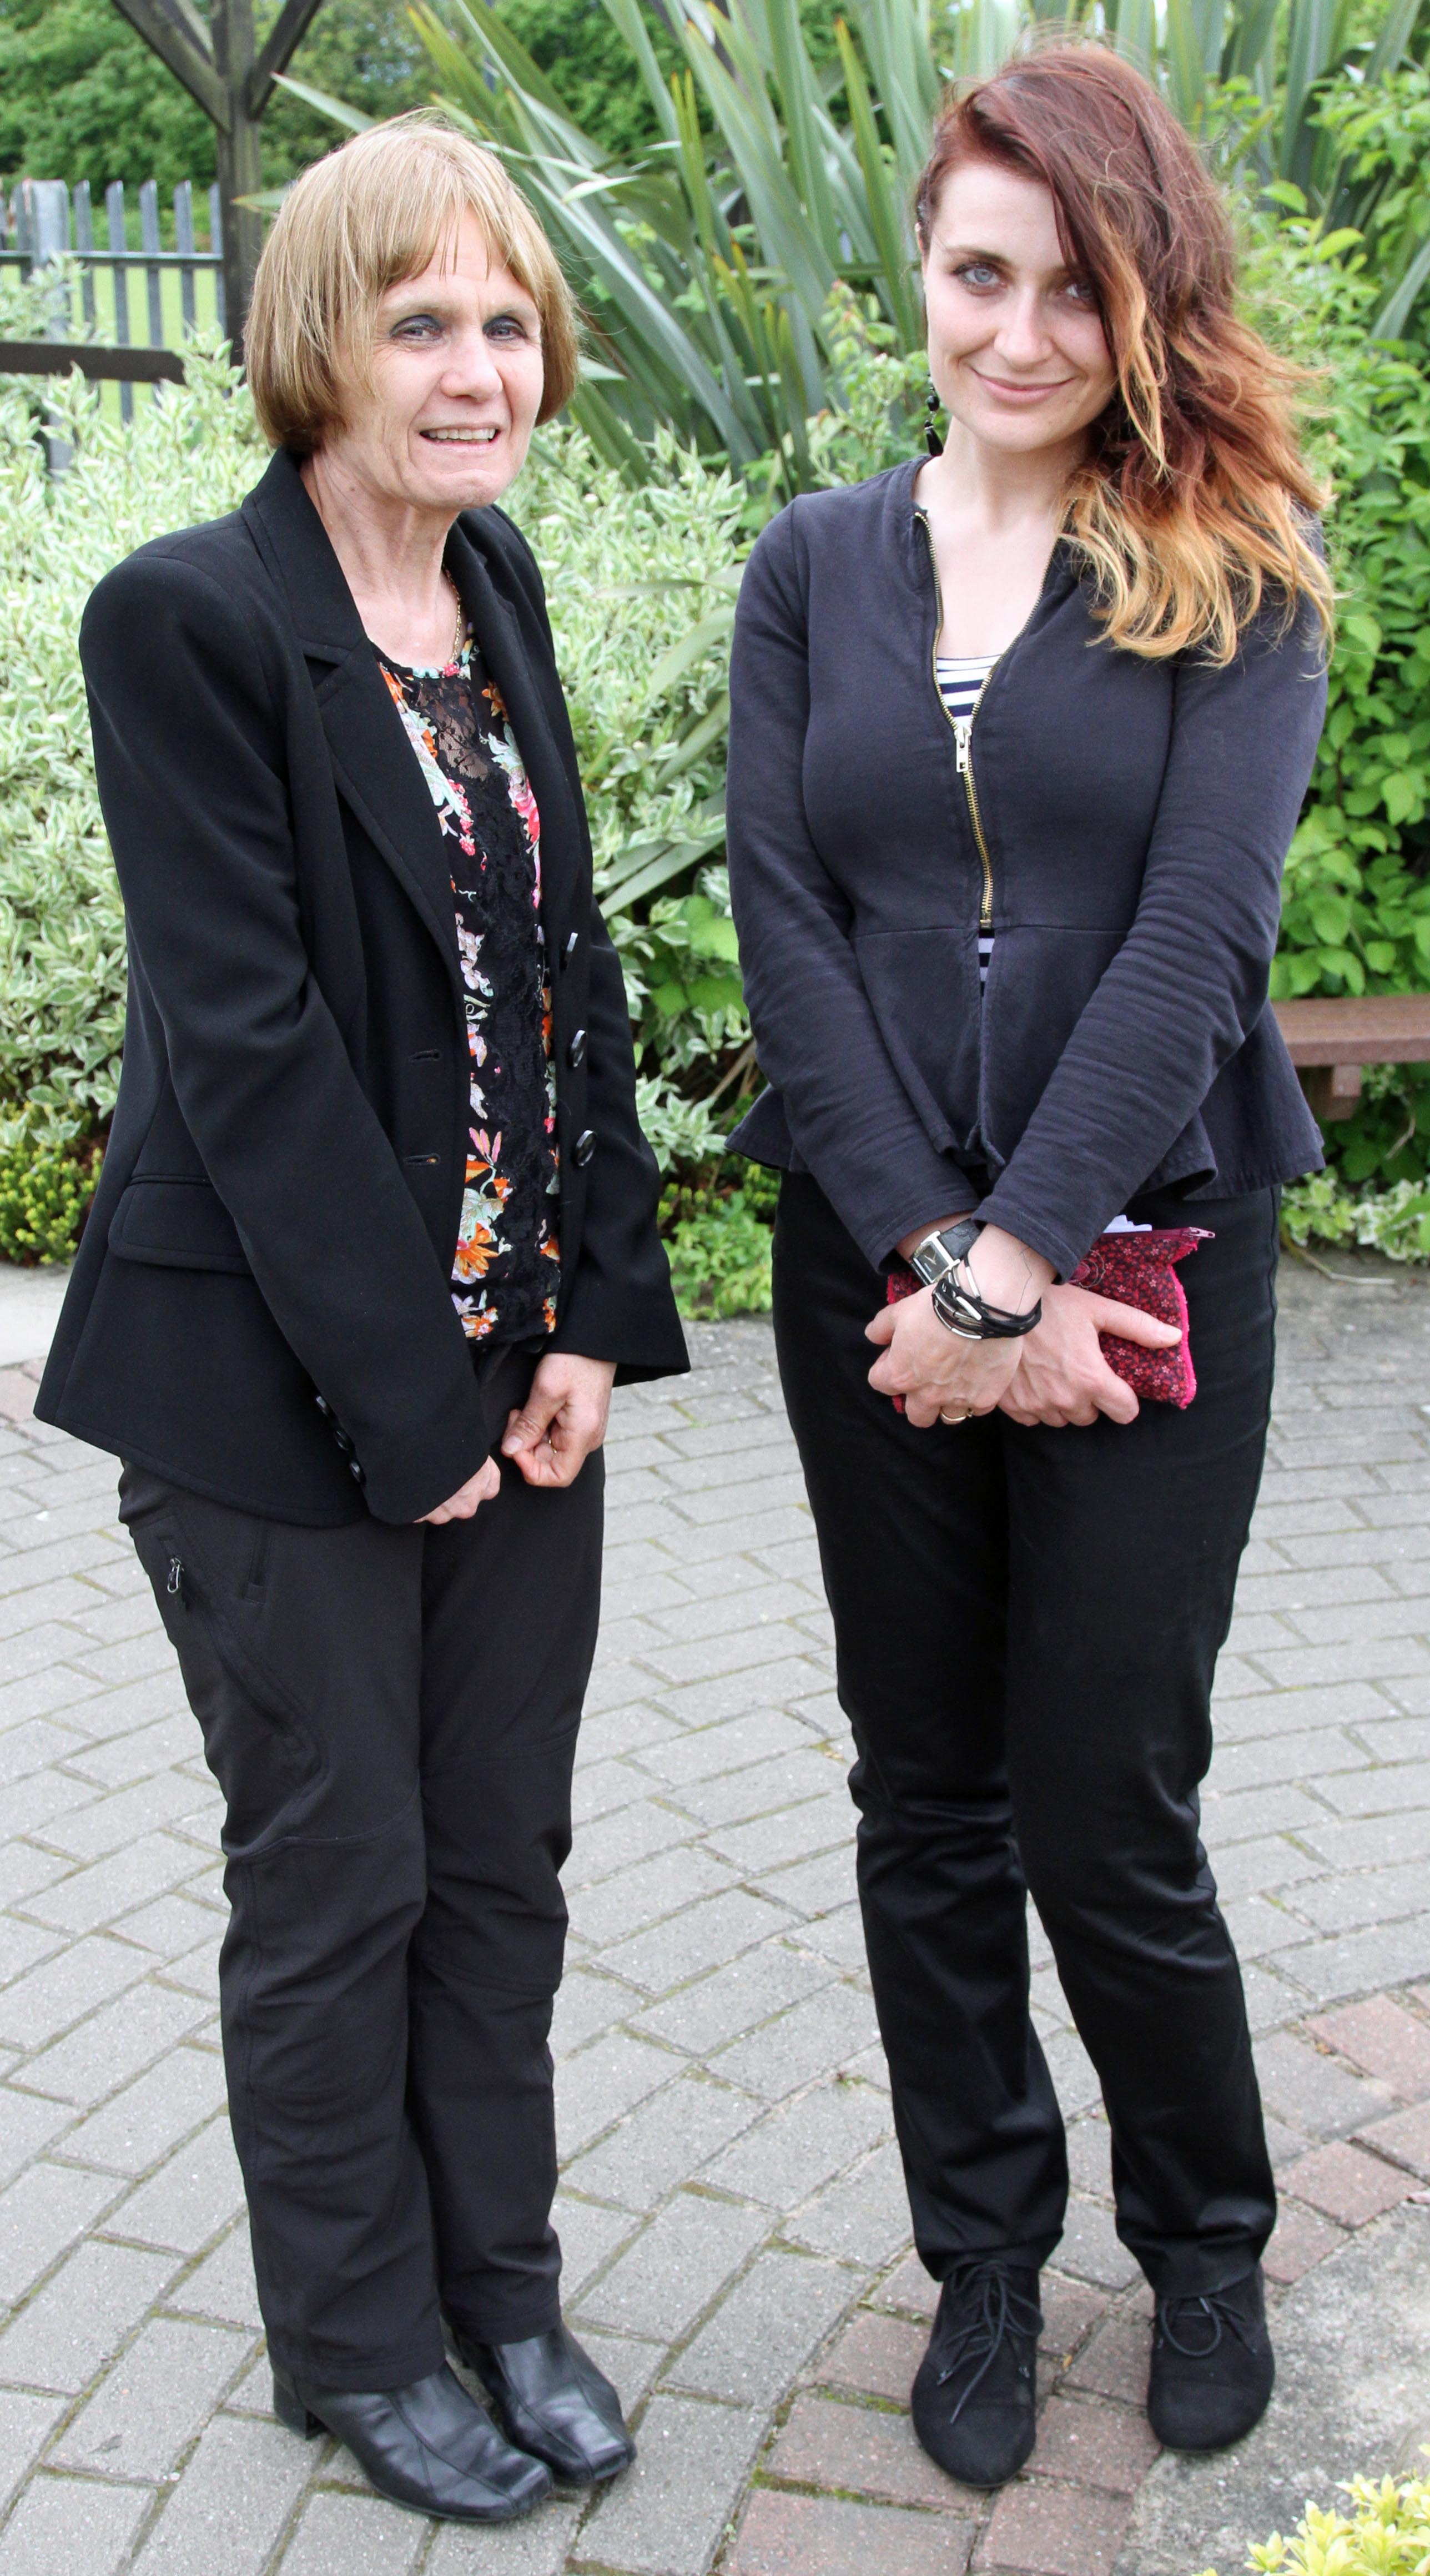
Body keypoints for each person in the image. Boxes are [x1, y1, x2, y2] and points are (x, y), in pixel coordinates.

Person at [36, 117, 687, 2528]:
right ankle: (356, 2341)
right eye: (421, 321)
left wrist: (588, 1316)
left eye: (507, 320)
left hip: (519, 1375)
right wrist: (415, 1415)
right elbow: (253, 1050)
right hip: (274, 1396)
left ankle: (500, 2293)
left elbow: (561, 971)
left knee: (498, 1867)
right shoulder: (189, 619)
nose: (476, 367)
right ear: (319, 342)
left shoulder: (488, 581)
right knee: (342, 1880)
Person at [725, 43, 1331, 2490]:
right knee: (927, 1798)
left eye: (1074, 288)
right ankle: (982, 2253)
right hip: (870, 1275)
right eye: (980, 275)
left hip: (1145, 1260)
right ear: (921, 268)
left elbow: (1198, 941)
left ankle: (1202, 2237)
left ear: (1144, 295)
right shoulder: (810, 564)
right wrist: (928, 1254)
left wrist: (1013, 1272)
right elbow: (788, 927)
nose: (1018, 332)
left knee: (1108, 1794)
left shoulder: (1236, 562)